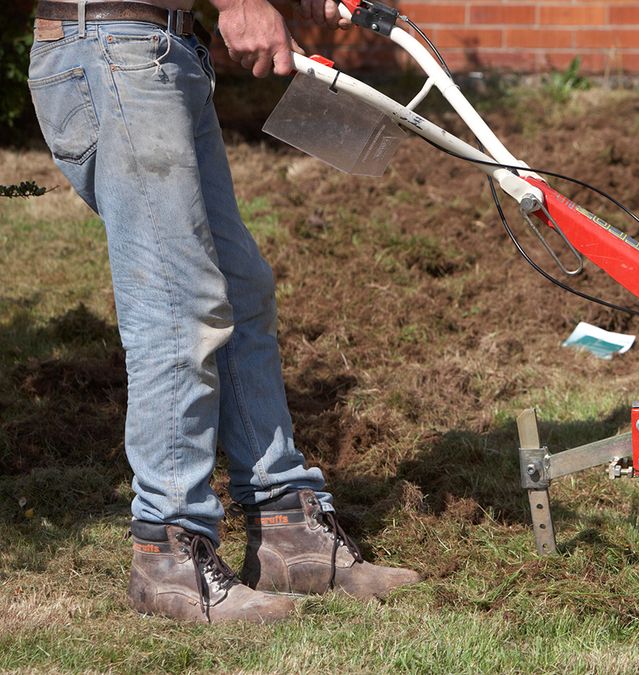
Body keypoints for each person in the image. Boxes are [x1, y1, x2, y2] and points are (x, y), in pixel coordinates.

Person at [27, 0, 419, 623]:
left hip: (163, 48)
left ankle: (289, 525)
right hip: (112, 45)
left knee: (241, 289)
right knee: (176, 302)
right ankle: (170, 554)